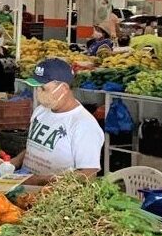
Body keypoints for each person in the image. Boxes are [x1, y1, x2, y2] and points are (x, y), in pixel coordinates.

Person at [12, 58, 103, 186]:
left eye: (43, 88)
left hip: (52, 194)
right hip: (25, 185)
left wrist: (41, 181)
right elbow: (33, 147)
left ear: (64, 88)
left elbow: (89, 173)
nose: (38, 92)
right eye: (36, 88)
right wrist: (14, 163)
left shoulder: (84, 125)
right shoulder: (41, 111)